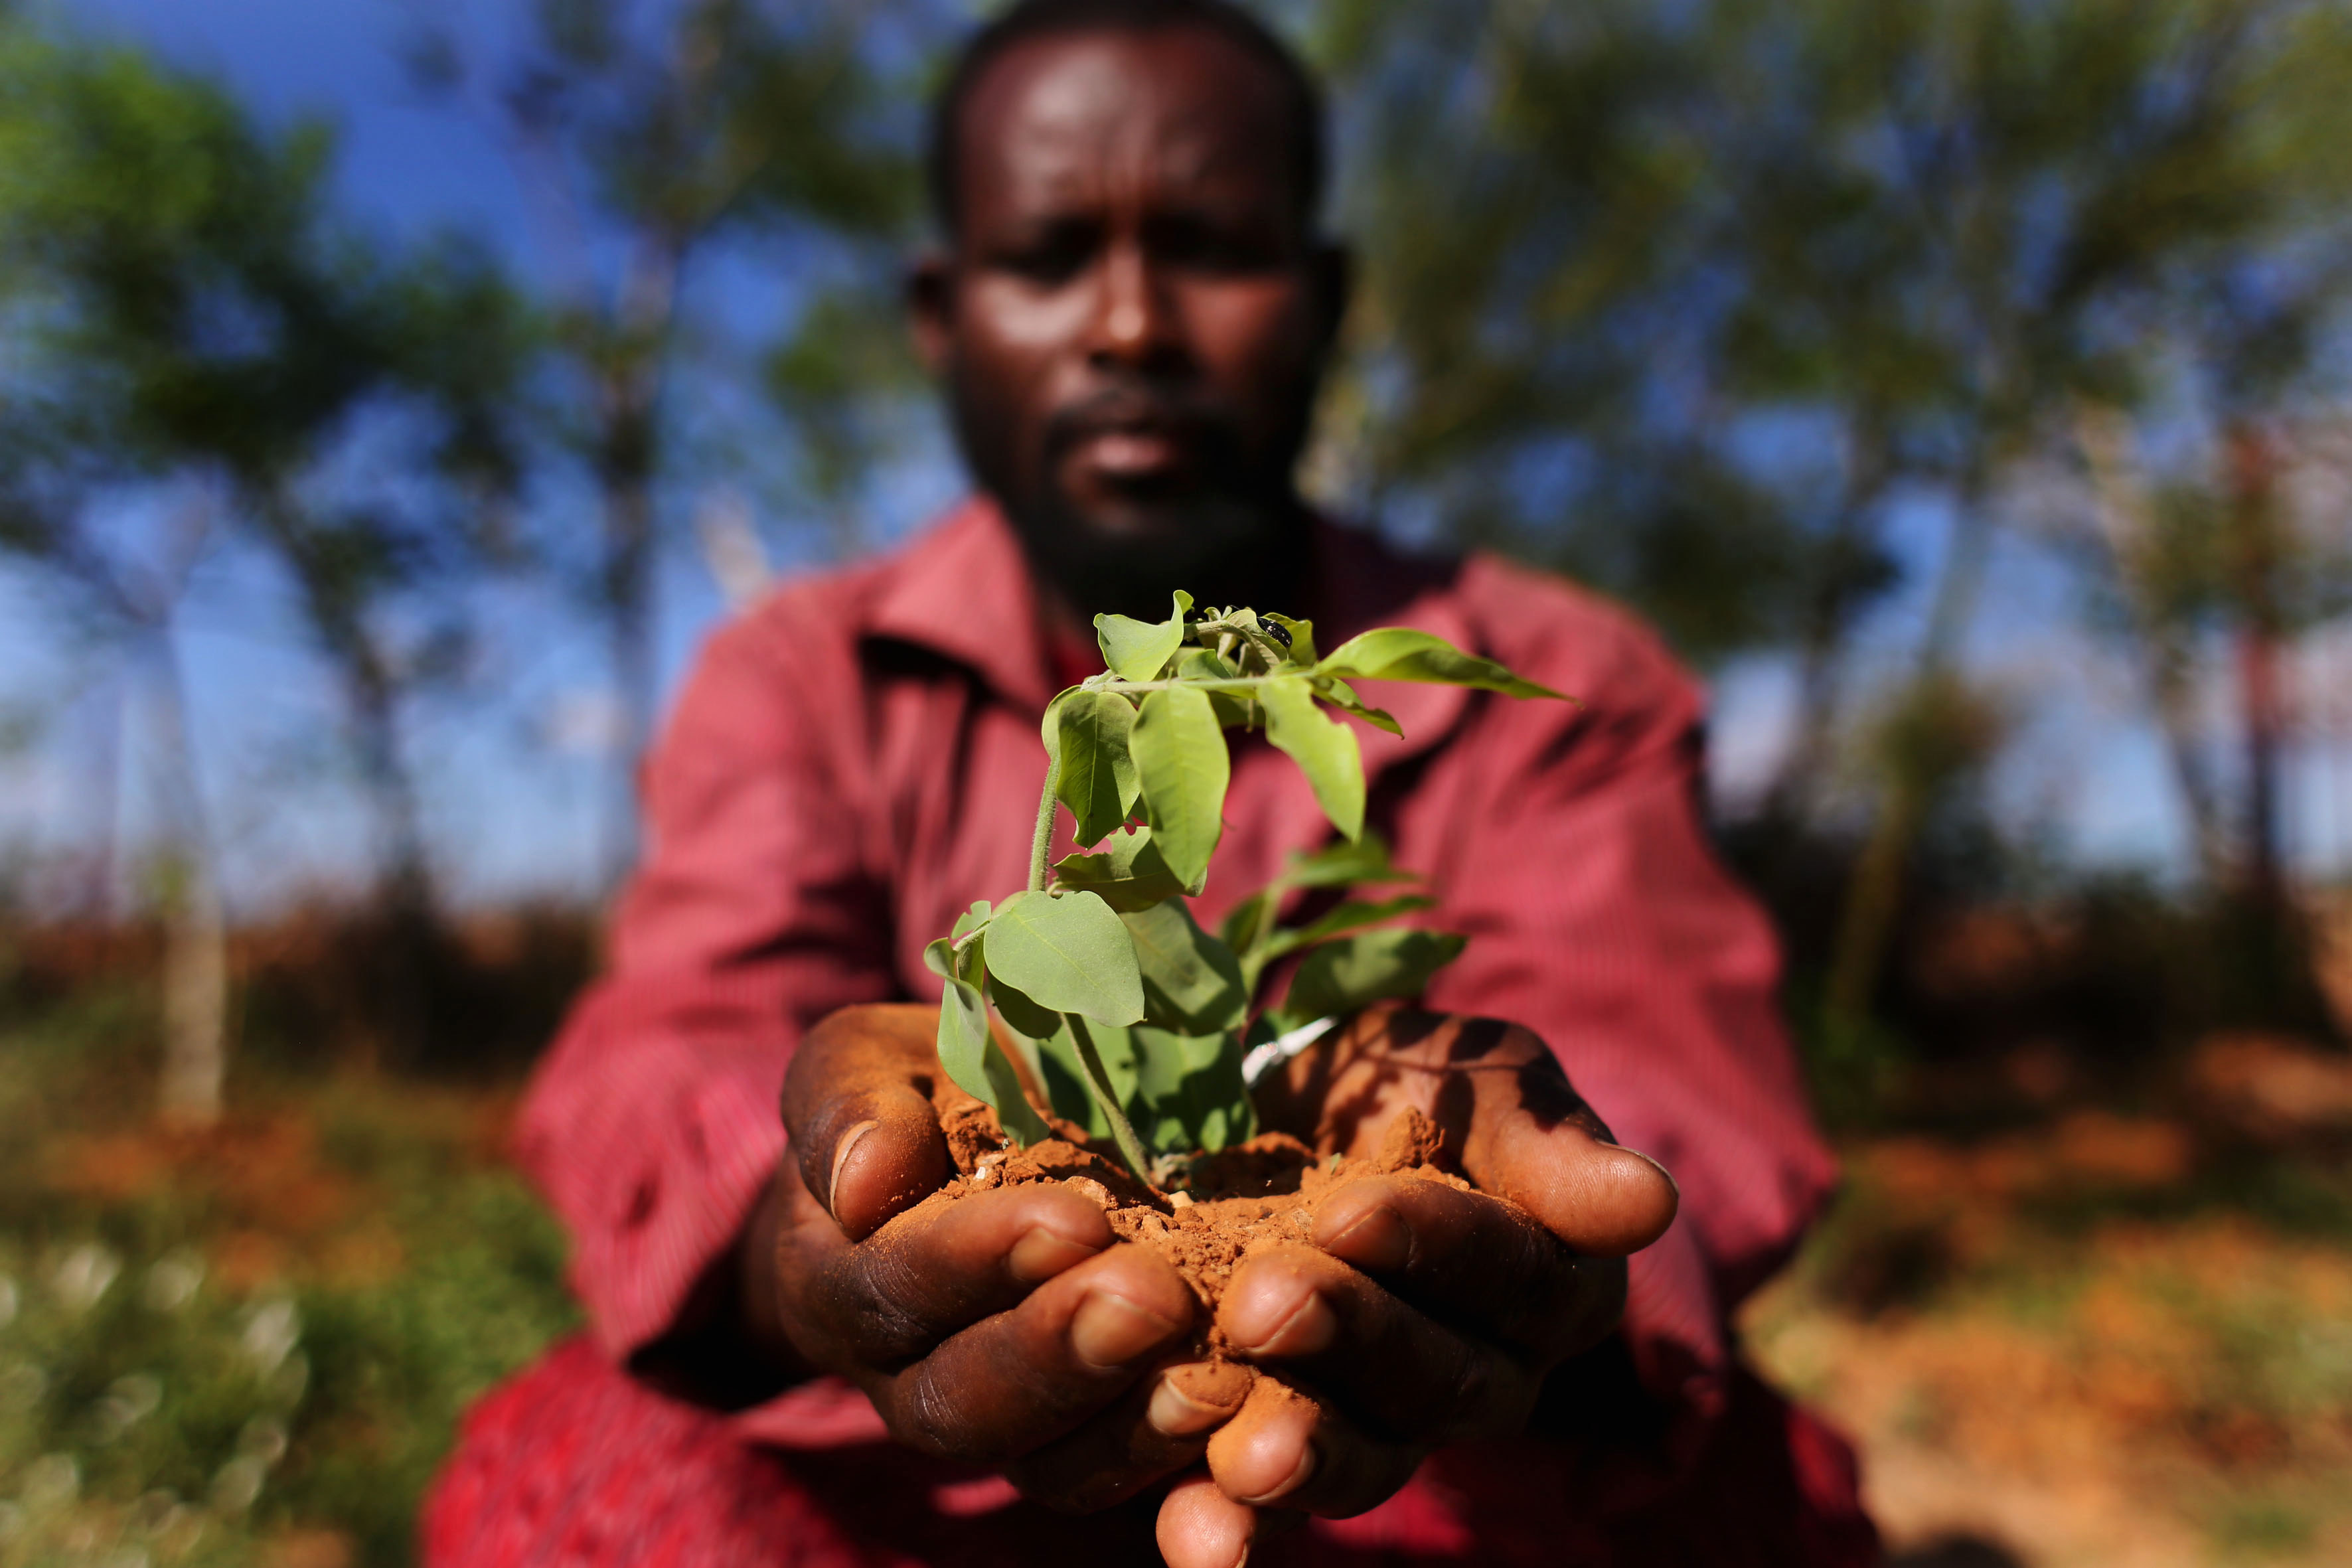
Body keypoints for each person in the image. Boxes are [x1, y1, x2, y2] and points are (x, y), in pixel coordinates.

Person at [422, 1, 1881, 1563]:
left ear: (1320, 304)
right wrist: (812, 1229)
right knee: (581, 1477)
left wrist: (1516, 1199)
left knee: (1750, 1499)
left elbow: (1660, 1075)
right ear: (943, 314)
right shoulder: (803, 674)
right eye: (1047, 258)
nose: (1128, 324)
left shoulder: (1557, 673)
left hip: (1450, 1471)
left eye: (1210, 248)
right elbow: (682, 1037)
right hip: (899, 1468)